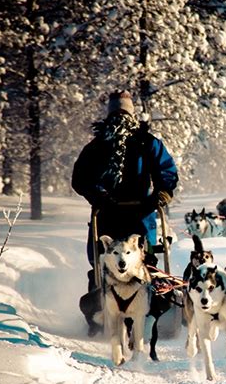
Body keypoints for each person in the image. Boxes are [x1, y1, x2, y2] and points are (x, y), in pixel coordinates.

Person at [72, 89, 178, 332]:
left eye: (123, 112)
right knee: (102, 262)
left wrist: (162, 193)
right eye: (116, 113)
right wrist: (96, 195)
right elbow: (80, 178)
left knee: (144, 261)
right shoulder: (98, 146)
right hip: (108, 214)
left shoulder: (147, 143)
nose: (120, 118)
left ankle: (149, 306)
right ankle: (100, 307)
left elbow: (167, 171)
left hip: (141, 213)